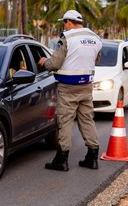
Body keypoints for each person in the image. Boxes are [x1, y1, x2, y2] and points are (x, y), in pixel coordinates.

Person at [38, 10, 102, 171]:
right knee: (87, 119)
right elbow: (97, 59)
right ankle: (93, 156)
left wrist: (44, 61)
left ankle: (62, 159)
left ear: (69, 22)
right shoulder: (95, 38)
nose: (64, 26)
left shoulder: (67, 38)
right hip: (86, 85)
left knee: (65, 121)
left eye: (64, 23)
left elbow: (54, 64)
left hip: (68, 87)